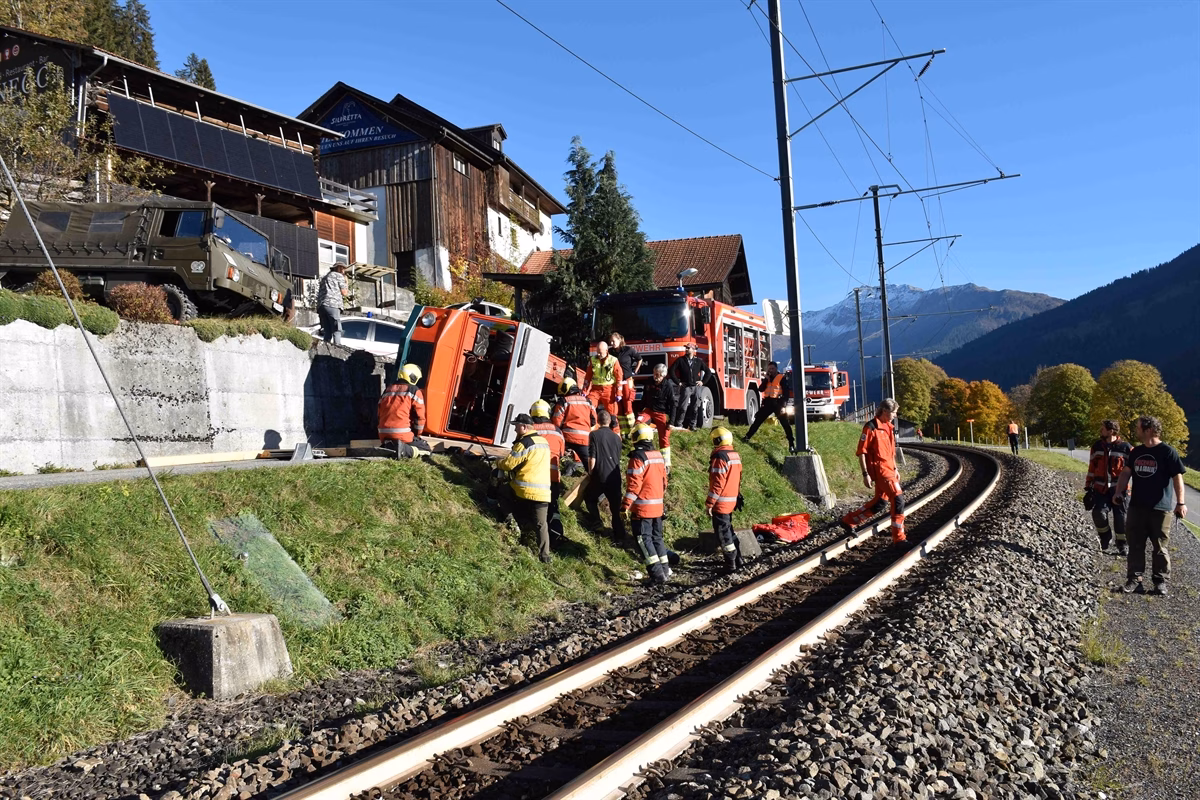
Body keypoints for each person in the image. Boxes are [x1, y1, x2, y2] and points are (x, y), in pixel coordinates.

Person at [1114, 415, 1187, 596]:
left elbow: (1178, 478)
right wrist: (1118, 491)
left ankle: (1160, 582)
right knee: (1135, 545)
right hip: (1137, 507)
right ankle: (1134, 580)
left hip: (1161, 509)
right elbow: (1125, 473)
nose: (1136, 430)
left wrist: (1181, 503)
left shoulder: (1168, 452)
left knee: (1160, 547)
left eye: (1138, 427)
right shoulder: (1136, 452)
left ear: (1148, 430)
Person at [840, 398, 906, 545]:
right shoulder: (870, 427)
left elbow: (890, 452)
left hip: (889, 469)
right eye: (894, 412)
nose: (896, 415)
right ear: (885, 411)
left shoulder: (889, 427)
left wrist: (895, 468)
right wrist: (865, 474)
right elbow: (861, 452)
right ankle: (899, 539)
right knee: (898, 499)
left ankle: (849, 520)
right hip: (881, 471)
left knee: (880, 503)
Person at [495, 413, 554, 563]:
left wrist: (498, 462)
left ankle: (512, 523)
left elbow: (509, 464)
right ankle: (545, 556)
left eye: (516, 426)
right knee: (541, 524)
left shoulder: (524, 443)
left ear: (524, 427)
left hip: (524, 489)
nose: (515, 430)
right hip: (543, 492)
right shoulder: (544, 442)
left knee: (502, 492)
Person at [622, 423, 670, 583]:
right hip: (658, 506)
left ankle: (657, 575)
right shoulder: (658, 455)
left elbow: (634, 486)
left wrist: (625, 506)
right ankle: (665, 571)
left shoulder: (638, 458)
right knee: (658, 538)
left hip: (643, 508)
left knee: (644, 540)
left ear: (636, 438)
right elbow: (664, 482)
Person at [1086, 420, 1133, 555]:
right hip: (1101, 489)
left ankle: (1122, 544)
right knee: (1098, 513)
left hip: (1121, 490)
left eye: (1103, 428)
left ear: (1111, 431)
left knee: (1121, 518)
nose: (1101, 430)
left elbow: (1133, 469)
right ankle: (1105, 537)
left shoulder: (1126, 448)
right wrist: (1088, 486)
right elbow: (1091, 468)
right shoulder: (1096, 447)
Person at [582, 409, 626, 542]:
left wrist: (590, 472)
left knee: (589, 498)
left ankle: (597, 523)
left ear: (598, 421)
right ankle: (619, 537)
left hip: (600, 475)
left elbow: (592, 457)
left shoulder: (594, 435)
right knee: (615, 508)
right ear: (609, 421)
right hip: (614, 476)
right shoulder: (617, 438)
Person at [706, 427, 744, 573]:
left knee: (723, 534)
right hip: (731, 499)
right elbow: (737, 479)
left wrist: (710, 503)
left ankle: (730, 564)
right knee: (729, 530)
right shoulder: (734, 455)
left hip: (721, 502)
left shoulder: (720, 457)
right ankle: (738, 559)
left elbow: (717, 484)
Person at [530, 399, 566, 542]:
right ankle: (557, 536)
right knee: (553, 508)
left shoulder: (531, 429)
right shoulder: (558, 431)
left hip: (535, 476)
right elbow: (561, 453)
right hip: (553, 478)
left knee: (533, 507)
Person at [377, 363, 431, 457]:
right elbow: (420, 418)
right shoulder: (414, 390)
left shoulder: (388, 390)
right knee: (426, 449)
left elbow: (379, 413)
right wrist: (417, 436)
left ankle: (390, 446)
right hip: (402, 434)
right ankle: (403, 450)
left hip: (383, 434)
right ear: (413, 377)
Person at [744, 361, 795, 451]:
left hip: (778, 403)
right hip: (768, 403)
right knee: (758, 420)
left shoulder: (781, 378)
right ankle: (747, 437)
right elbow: (760, 389)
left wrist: (783, 405)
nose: (771, 370)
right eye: (769, 369)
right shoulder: (767, 378)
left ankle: (791, 443)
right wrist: (766, 380)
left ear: (776, 369)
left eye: (772, 368)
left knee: (785, 423)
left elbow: (786, 393)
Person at [638, 363, 677, 468]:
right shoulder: (649, 381)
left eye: (658, 375)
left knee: (664, 436)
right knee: (638, 423)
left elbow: (673, 404)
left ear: (663, 375)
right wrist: (638, 411)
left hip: (661, 412)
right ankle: (639, 451)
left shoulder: (668, 386)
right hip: (648, 410)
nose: (655, 377)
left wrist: (671, 422)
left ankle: (666, 463)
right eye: (654, 374)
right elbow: (644, 397)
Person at [551, 376, 596, 466]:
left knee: (554, 454)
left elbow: (557, 423)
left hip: (567, 437)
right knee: (590, 466)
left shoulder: (563, 401)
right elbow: (594, 420)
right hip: (584, 439)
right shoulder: (588, 401)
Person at [609, 332, 643, 435]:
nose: (611, 343)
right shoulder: (610, 352)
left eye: (613, 341)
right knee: (618, 407)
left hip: (627, 380)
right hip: (616, 382)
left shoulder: (629, 350)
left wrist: (635, 371)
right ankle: (623, 431)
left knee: (628, 405)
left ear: (619, 340)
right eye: (610, 341)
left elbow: (639, 359)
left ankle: (632, 431)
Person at [670, 343, 709, 430]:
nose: (686, 349)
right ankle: (679, 424)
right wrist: (678, 382)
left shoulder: (698, 361)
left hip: (696, 387)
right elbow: (671, 370)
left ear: (693, 350)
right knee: (682, 407)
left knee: (695, 407)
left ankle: (692, 425)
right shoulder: (680, 360)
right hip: (686, 387)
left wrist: (703, 382)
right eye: (686, 348)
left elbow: (708, 372)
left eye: (688, 348)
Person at [584, 340, 622, 418]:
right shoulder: (592, 360)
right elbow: (588, 377)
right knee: (588, 407)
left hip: (609, 389)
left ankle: (615, 430)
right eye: (597, 352)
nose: (598, 354)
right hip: (595, 389)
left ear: (606, 351)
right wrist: (584, 391)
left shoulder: (613, 360)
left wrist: (619, 393)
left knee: (612, 414)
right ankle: (593, 426)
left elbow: (619, 378)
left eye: (600, 352)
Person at [316, 262, 349, 345]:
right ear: (339, 268)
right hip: (333, 304)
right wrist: (346, 282)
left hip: (322, 306)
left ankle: (325, 348)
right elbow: (344, 293)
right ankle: (337, 349)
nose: (343, 270)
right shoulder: (339, 276)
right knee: (336, 329)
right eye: (342, 268)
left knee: (328, 331)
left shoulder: (325, 277)